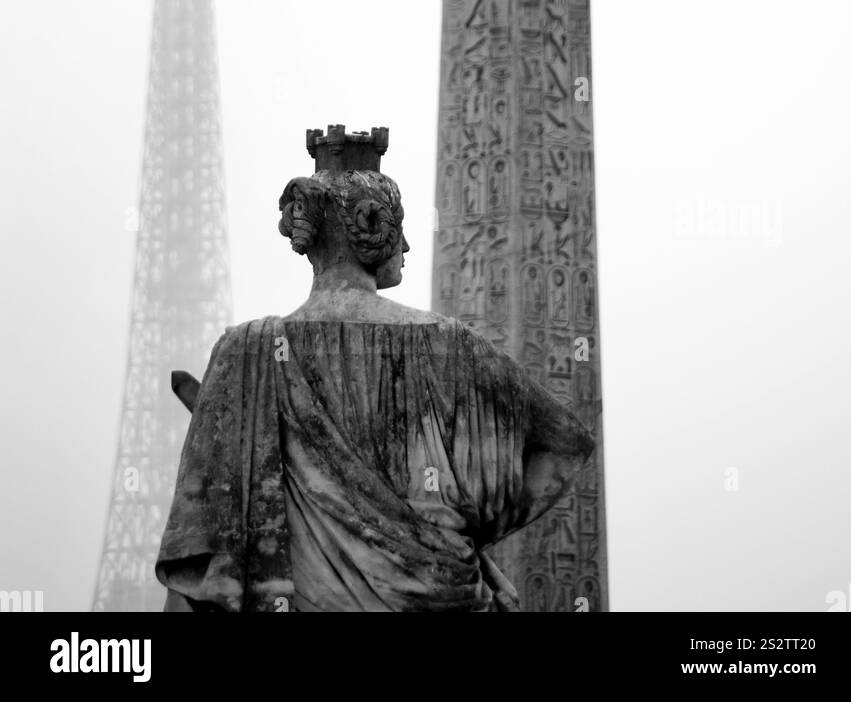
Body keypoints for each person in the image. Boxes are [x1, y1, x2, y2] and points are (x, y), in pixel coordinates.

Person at [156, 128, 593, 612]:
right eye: (398, 226)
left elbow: (196, 566)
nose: (405, 244)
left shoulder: (246, 355)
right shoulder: (451, 345)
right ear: (369, 224)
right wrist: (460, 529)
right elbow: (565, 445)